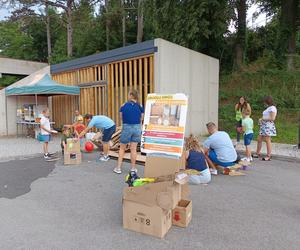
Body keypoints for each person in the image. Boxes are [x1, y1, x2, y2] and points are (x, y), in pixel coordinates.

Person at [114, 90, 144, 174]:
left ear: (131, 95)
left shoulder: (123, 105)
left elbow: (121, 117)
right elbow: (141, 118)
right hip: (137, 127)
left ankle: (118, 168)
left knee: (122, 148)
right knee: (133, 149)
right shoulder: (140, 106)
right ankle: (133, 169)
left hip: (127, 127)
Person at [253, 96, 277, 161]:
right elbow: (266, 116)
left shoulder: (272, 108)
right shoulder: (268, 108)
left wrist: (262, 119)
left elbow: (272, 118)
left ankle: (268, 156)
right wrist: (261, 120)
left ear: (267, 101)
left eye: (265, 102)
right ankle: (257, 153)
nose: (264, 103)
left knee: (267, 140)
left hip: (268, 126)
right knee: (259, 139)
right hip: (263, 125)